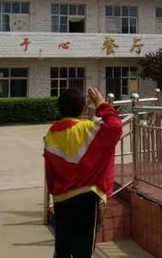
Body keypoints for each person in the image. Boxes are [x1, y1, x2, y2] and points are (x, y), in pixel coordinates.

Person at [44, 88, 123, 258]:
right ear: (84, 109)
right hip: (86, 198)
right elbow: (115, 125)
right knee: (83, 249)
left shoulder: (52, 133)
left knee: (62, 247)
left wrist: (53, 191)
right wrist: (101, 103)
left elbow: (49, 169)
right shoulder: (89, 129)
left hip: (61, 198)